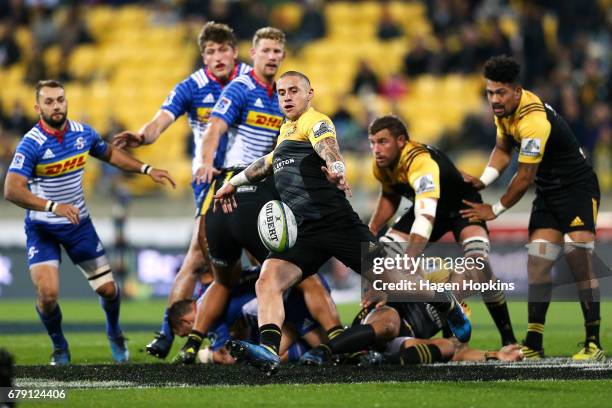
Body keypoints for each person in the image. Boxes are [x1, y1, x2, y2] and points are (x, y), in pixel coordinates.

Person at [212, 71, 471, 375]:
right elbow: (267, 163)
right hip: (305, 232)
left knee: (400, 284)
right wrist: (235, 183)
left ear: (310, 94)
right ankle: (269, 349)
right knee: (268, 278)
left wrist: (336, 169)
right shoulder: (286, 130)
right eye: (281, 93)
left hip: (338, 224)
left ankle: (445, 302)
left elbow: (328, 147)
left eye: (294, 91)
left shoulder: (315, 121)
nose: (286, 97)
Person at [172, 27, 343, 364]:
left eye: (277, 52)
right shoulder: (242, 89)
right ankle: (337, 340)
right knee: (298, 271)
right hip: (248, 190)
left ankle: (192, 344)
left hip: (227, 194)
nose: (272, 57)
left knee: (223, 278)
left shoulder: (278, 98)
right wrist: (206, 163)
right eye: (266, 51)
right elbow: (215, 129)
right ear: (252, 54)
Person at [3, 80, 175, 365]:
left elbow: (110, 154)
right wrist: (52, 206)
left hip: (78, 224)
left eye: (60, 99)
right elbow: (12, 189)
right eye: (49, 101)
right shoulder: (31, 144)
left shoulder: (83, 133)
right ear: (37, 108)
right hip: (42, 228)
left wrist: (146, 168)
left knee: (108, 290)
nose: (56, 105)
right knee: (48, 295)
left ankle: (114, 331)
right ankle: (59, 346)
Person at [111, 22, 251, 359]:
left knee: (231, 259)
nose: (217, 57)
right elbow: (161, 120)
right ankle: (170, 330)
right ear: (204, 56)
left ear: (234, 51)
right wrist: (143, 137)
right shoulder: (191, 86)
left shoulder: (252, 78)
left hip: (250, 177)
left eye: (223, 50)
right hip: (209, 181)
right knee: (199, 258)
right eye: (210, 52)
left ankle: (258, 333)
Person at [461, 55, 604, 361]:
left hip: (577, 188)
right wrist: (483, 181)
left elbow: (524, 176)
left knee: (578, 254)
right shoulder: (504, 113)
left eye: (500, 93)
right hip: (550, 191)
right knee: (538, 260)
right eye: (490, 93)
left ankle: (593, 342)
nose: (494, 99)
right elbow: (501, 150)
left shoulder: (533, 120)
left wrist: (494, 209)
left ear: (516, 91)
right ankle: (534, 342)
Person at [365, 115, 517, 347]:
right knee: (381, 256)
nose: (376, 149)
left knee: (479, 266)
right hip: (427, 207)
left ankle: (507, 338)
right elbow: (390, 195)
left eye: (383, 142)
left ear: (401, 141)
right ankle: (377, 326)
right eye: (373, 142)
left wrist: (409, 259)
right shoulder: (382, 164)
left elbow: (425, 218)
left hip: (462, 207)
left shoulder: (421, 162)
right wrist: (372, 229)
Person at [168, 266, 330, 364]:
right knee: (263, 349)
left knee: (329, 350)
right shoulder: (209, 293)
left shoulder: (208, 316)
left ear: (186, 322)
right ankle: (330, 339)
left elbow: (230, 358)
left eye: (186, 335)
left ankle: (343, 344)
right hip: (298, 283)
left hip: (292, 296)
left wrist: (207, 356)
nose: (192, 337)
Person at [301, 303, 523, 367]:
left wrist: (495, 354)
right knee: (391, 324)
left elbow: (459, 351)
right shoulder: (432, 271)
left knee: (448, 347)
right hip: (385, 318)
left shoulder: (462, 311)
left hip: (403, 342)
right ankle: (326, 350)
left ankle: (379, 361)